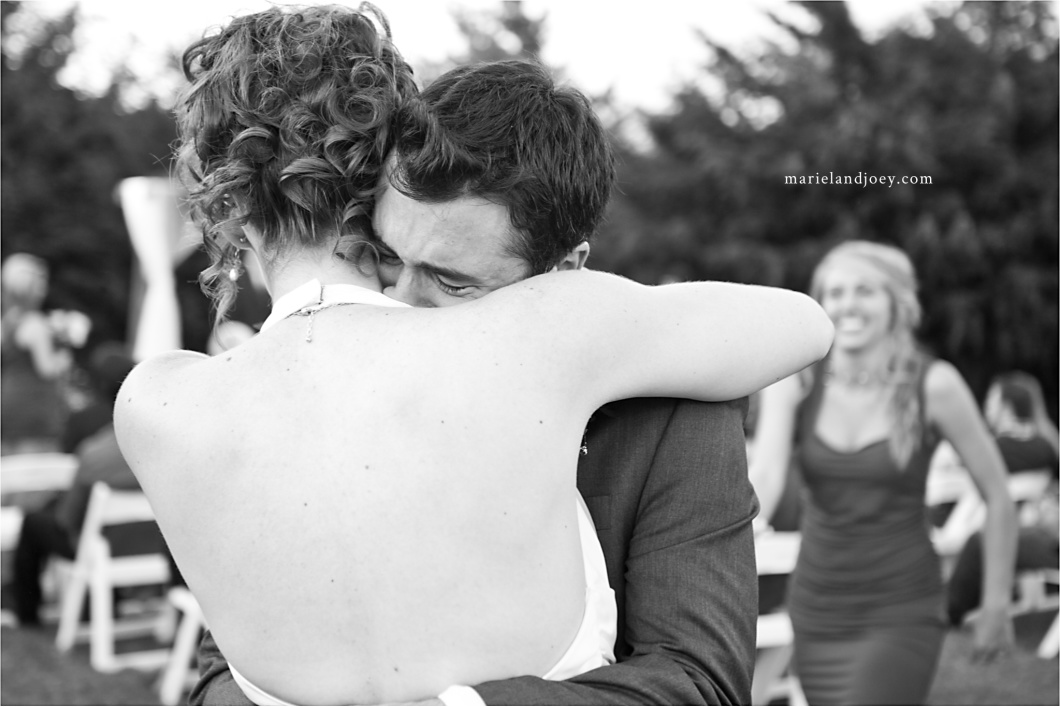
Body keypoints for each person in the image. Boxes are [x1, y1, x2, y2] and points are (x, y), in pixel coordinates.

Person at [115, 6, 833, 705]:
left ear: (564, 270)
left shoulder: (665, 395)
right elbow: (224, 667)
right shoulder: (269, 411)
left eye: (454, 280)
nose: (407, 299)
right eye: (389, 256)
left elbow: (698, 682)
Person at [749, 240, 1018, 705]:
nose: (847, 304)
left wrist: (995, 602)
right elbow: (767, 476)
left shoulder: (935, 384)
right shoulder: (796, 381)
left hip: (901, 605)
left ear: (897, 303)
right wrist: (729, 527)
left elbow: (998, 496)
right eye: (834, 293)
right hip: (817, 606)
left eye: (864, 291)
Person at [12, 344, 138, 626]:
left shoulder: (95, 452)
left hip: (98, 546)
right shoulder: (162, 450)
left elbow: (68, 520)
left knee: (35, 523)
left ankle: (27, 616)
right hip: (149, 548)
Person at [947, 372, 1059, 625]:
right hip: (1026, 527)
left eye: (990, 401)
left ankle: (948, 610)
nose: (986, 407)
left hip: (999, 527)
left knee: (975, 543)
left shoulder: (996, 448)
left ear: (1006, 407)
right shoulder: (1047, 446)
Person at [1, 253, 72, 454]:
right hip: (35, 406)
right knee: (37, 471)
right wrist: (64, 359)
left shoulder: (6, 322)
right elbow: (47, 369)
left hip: (7, 400)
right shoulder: (35, 324)